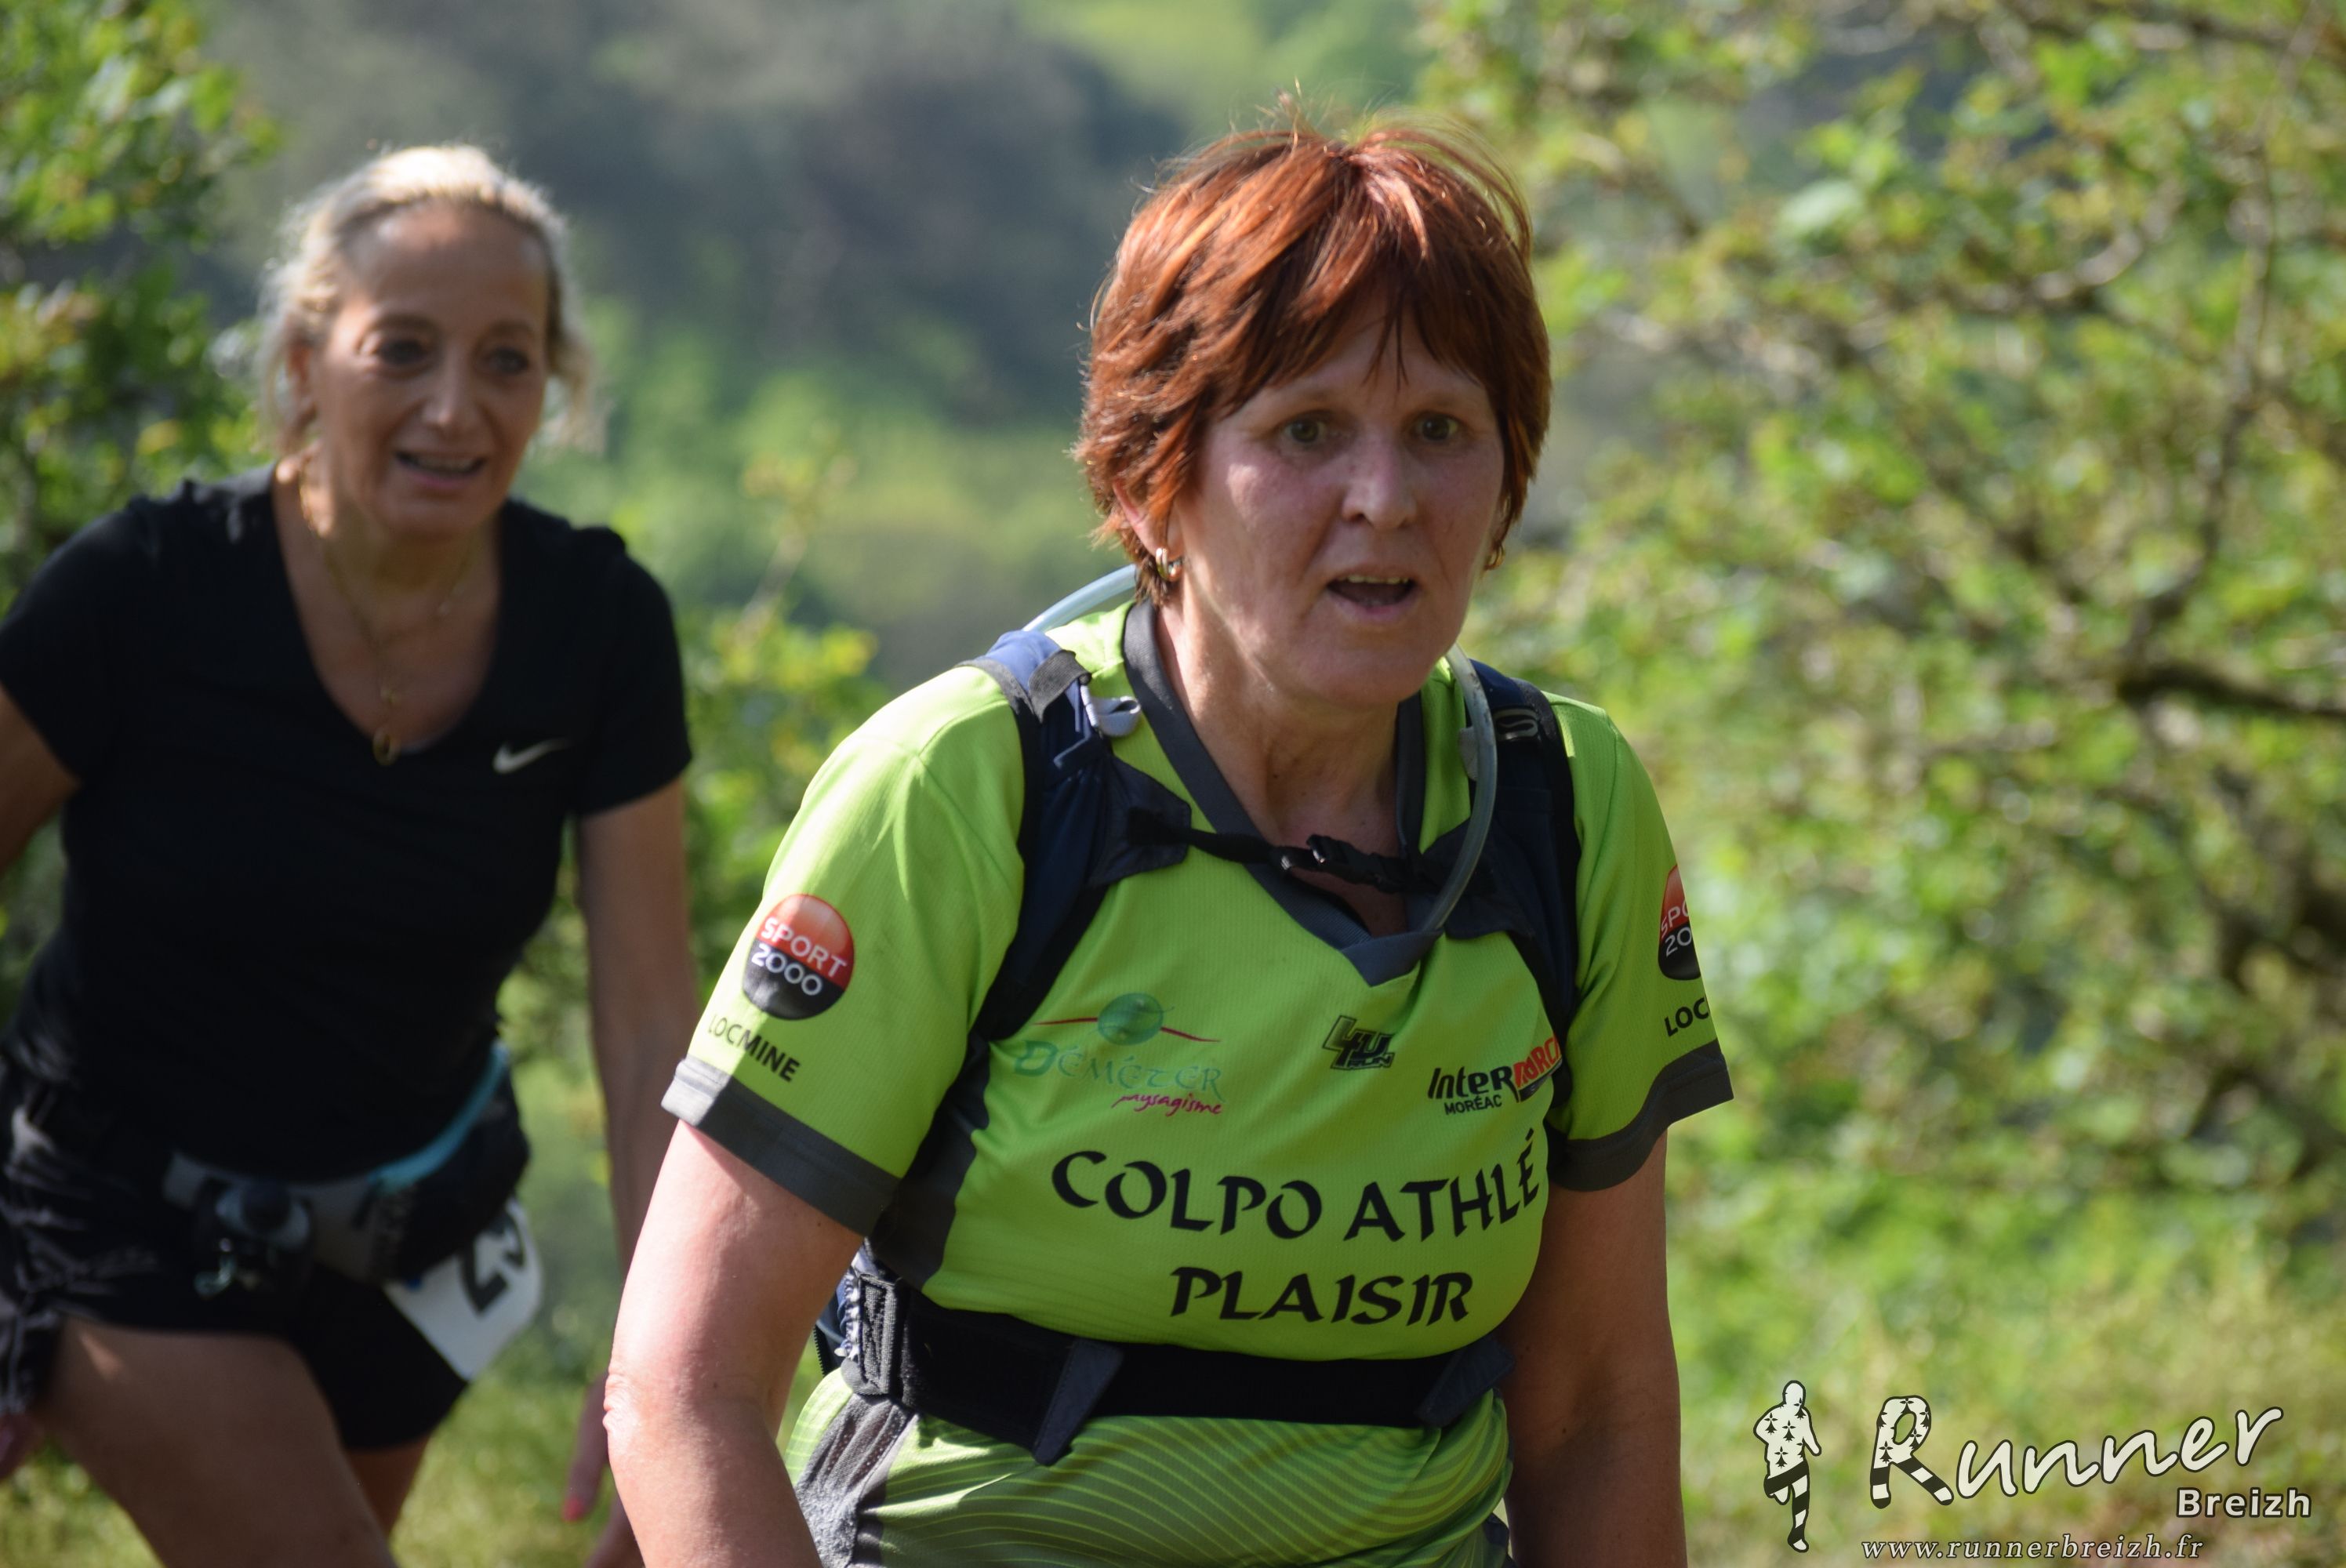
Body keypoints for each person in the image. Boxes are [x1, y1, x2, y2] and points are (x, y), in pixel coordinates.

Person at [607, 119, 1732, 1567]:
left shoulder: (1564, 803)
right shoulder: (969, 789)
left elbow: (1596, 1406)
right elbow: (684, 1387)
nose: (1385, 498)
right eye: (1307, 431)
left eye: (1442, 431)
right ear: (1152, 483)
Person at [0, 145, 696, 1566]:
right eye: (403, 349)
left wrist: (669, 1370)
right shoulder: (144, 591)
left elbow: (647, 1029)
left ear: (551, 387)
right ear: (306, 361)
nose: (454, 408)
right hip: (118, 1208)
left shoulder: (599, 626)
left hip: (410, 1239)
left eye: (506, 360)